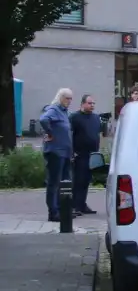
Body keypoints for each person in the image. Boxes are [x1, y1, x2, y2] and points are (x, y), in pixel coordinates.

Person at [38, 89, 75, 222]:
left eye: (71, 99)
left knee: (66, 182)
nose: (69, 101)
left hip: (65, 152)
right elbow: (43, 119)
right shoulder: (54, 109)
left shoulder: (65, 113)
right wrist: (50, 132)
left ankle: (63, 209)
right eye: (67, 98)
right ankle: (53, 212)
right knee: (54, 182)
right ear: (60, 97)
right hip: (55, 151)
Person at [69, 94, 103, 215]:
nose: (92, 105)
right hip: (80, 154)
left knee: (86, 181)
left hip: (92, 154)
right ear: (82, 104)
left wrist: (99, 150)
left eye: (93, 103)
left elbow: (98, 134)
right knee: (78, 180)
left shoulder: (95, 118)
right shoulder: (74, 117)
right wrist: (72, 152)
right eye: (89, 103)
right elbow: (70, 134)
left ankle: (82, 204)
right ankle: (74, 206)